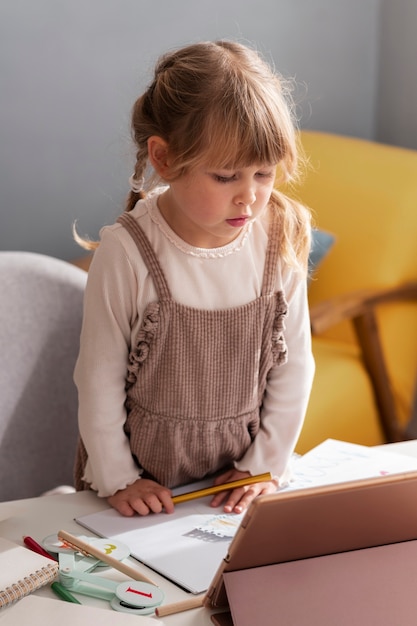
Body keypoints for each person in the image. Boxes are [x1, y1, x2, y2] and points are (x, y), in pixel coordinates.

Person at [73, 40, 315, 518]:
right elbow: (97, 380)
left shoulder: (278, 237)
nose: (249, 196)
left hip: (233, 486)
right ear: (163, 159)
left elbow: (294, 366)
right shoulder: (127, 251)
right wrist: (120, 478)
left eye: (263, 173)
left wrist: (263, 465)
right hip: (136, 487)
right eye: (226, 177)